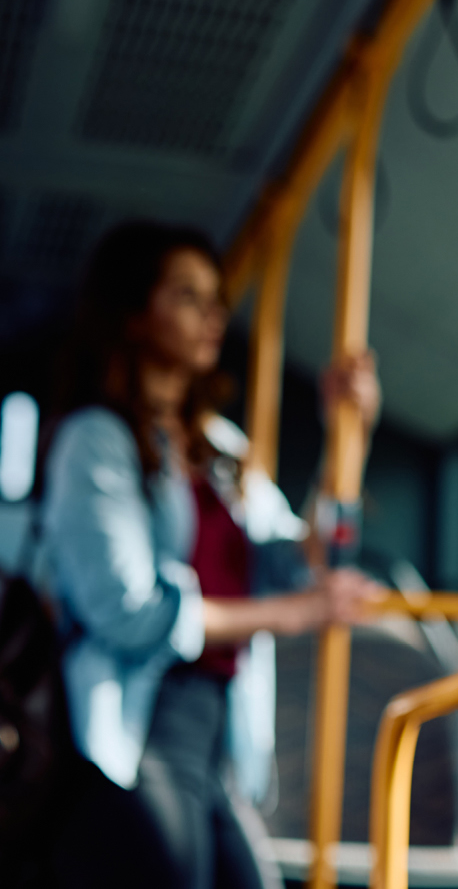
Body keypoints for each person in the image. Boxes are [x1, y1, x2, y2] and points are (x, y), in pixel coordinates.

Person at [40, 221, 385, 889]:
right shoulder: (96, 440)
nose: (212, 315)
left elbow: (298, 561)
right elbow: (126, 611)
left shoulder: (219, 450)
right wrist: (293, 613)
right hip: (139, 723)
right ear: (135, 315)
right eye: (186, 295)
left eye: (214, 298)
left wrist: (351, 436)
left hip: (220, 727)